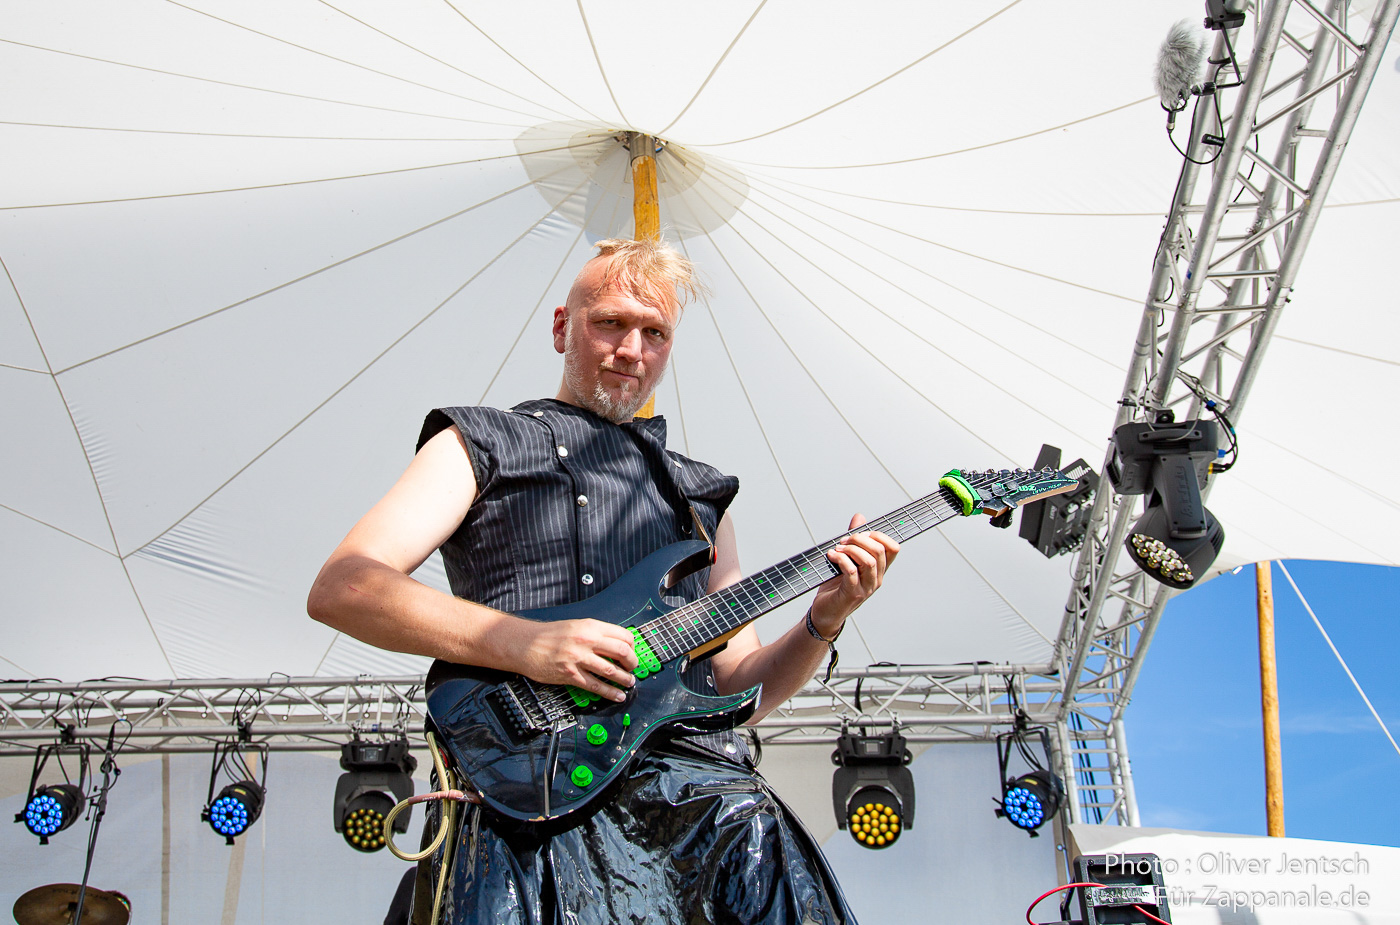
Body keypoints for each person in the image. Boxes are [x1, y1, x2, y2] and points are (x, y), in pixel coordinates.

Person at [308, 237, 900, 924]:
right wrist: (525, 644)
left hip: (700, 820)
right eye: (610, 323)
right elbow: (345, 585)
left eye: (655, 333)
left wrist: (825, 618)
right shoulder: (478, 442)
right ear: (563, 326)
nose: (631, 350)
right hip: (526, 806)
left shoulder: (702, 498)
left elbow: (740, 687)